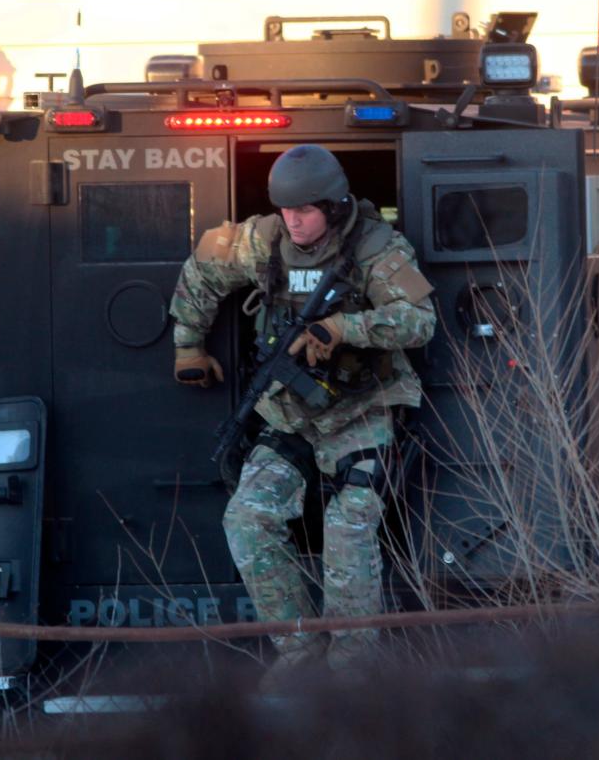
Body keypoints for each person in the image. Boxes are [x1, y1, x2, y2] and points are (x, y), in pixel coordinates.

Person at [169, 145, 436, 675]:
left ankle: (351, 670)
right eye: (285, 208)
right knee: (246, 520)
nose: (293, 219)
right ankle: (298, 653)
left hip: (363, 410)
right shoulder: (265, 240)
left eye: (305, 210)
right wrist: (188, 344)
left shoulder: (375, 247)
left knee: (349, 530)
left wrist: (346, 328)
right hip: (290, 414)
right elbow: (202, 266)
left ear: (333, 207)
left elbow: (419, 320)